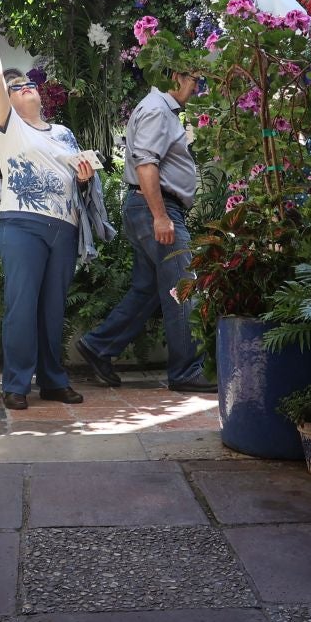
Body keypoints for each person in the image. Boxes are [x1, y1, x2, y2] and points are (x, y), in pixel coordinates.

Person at [0, 5, 93, 409]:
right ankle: (16, 383)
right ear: (7, 101)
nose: (25, 88)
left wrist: (84, 175)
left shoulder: (63, 132)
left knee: (52, 310)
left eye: (30, 85)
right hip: (22, 225)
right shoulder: (10, 127)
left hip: (65, 226)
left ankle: (54, 381)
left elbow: (80, 175)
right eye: (17, 87)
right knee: (21, 306)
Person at [77, 66, 218, 394]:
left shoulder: (162, 110)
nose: (198, 87)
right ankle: (186, 371)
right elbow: (146, 164)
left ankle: (99, 346)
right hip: (157, 208)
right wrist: (160, 216)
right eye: (196, 80)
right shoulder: (157, 110)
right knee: (183, 287)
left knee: (147, 290)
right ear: (176, 77)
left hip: (152, 208)